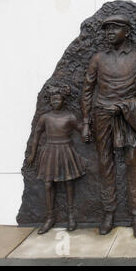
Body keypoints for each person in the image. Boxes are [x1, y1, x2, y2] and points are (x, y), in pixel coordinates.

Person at [81, 14, 136, 239]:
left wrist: (129, 104)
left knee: (134, 165)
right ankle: (109, 213)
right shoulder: (98, 59)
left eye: (115, 28)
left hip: (129, 117)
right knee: (105, 164)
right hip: (103, 115)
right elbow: (87, 90)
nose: (110, 32)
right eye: (107, 29)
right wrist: (85, 122)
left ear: (127, 32)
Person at [26, 84, 85, 234]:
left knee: (69, 182)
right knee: (48, 184)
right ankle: (50, 217)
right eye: (53, 99)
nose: (56, 101)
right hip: (50, 151)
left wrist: (87, 125)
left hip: (66, 151)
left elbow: (82, 131)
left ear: (63, 100)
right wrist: (32, 154)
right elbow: (36, 136)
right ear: (50, 101)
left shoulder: (70, 116)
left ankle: (71, 216)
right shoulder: (45, 118)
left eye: (58, 98)